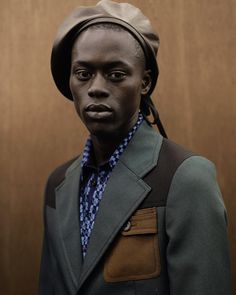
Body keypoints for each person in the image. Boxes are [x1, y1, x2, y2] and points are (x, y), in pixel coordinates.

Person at [39, 1, 232, 294]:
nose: (96, 87)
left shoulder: (186, 179)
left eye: (116, 74)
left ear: (144, 83)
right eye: (83, 73)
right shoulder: (58, 185)